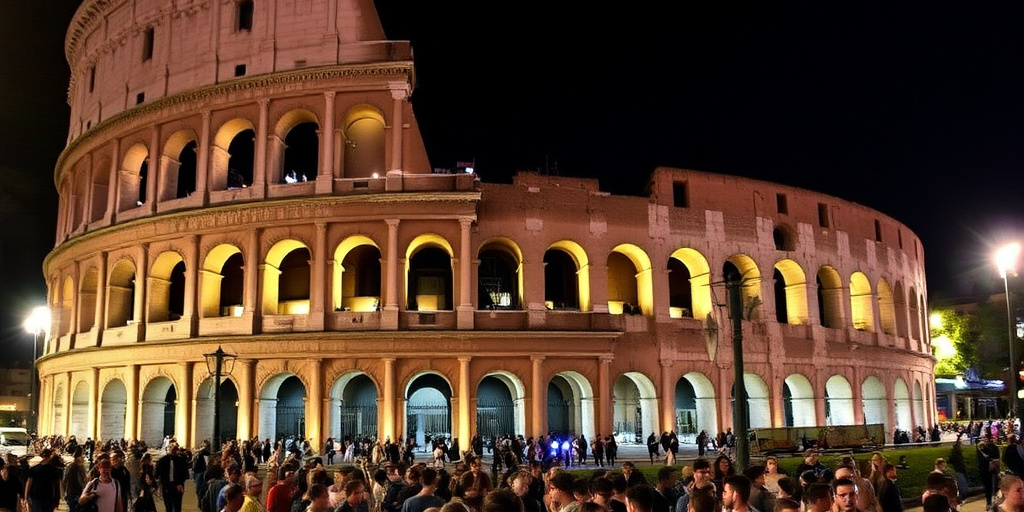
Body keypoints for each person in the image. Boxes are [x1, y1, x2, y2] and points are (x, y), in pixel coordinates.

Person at [155, 443, 190, 512]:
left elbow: (184, 473)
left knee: (174, 505)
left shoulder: (180, 460)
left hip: (175, 485)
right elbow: (157, 472)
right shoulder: (163, 460)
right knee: (171, 505)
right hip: (169, 485)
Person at [978, 432, 1002, 507]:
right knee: (992, 487)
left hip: (988, 471)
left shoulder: (983, 448)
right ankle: (992, 503)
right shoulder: (987, 448)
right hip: (990, 470)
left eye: (985, 438)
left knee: (989, 487)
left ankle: (990, 503)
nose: (984, 439)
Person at [64, 447, 88, 512]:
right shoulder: (79, 467)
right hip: (76, 492)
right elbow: (81, 480)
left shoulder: (69, 466)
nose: (83, 458)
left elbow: (64, 480)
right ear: (78, 457)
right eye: (82, 456)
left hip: (70, 492)